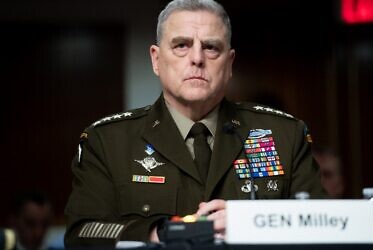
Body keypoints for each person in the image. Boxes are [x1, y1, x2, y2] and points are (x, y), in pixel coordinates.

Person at [64, 0, 326, 246]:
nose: (197, 58)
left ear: (230, 62)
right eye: (181, 45)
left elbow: (326, 226)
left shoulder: (285, 135)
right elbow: (82, 234)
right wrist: (163, 232)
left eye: (211, 47)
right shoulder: (109, 141)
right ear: (156, 59)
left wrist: (251, 223)